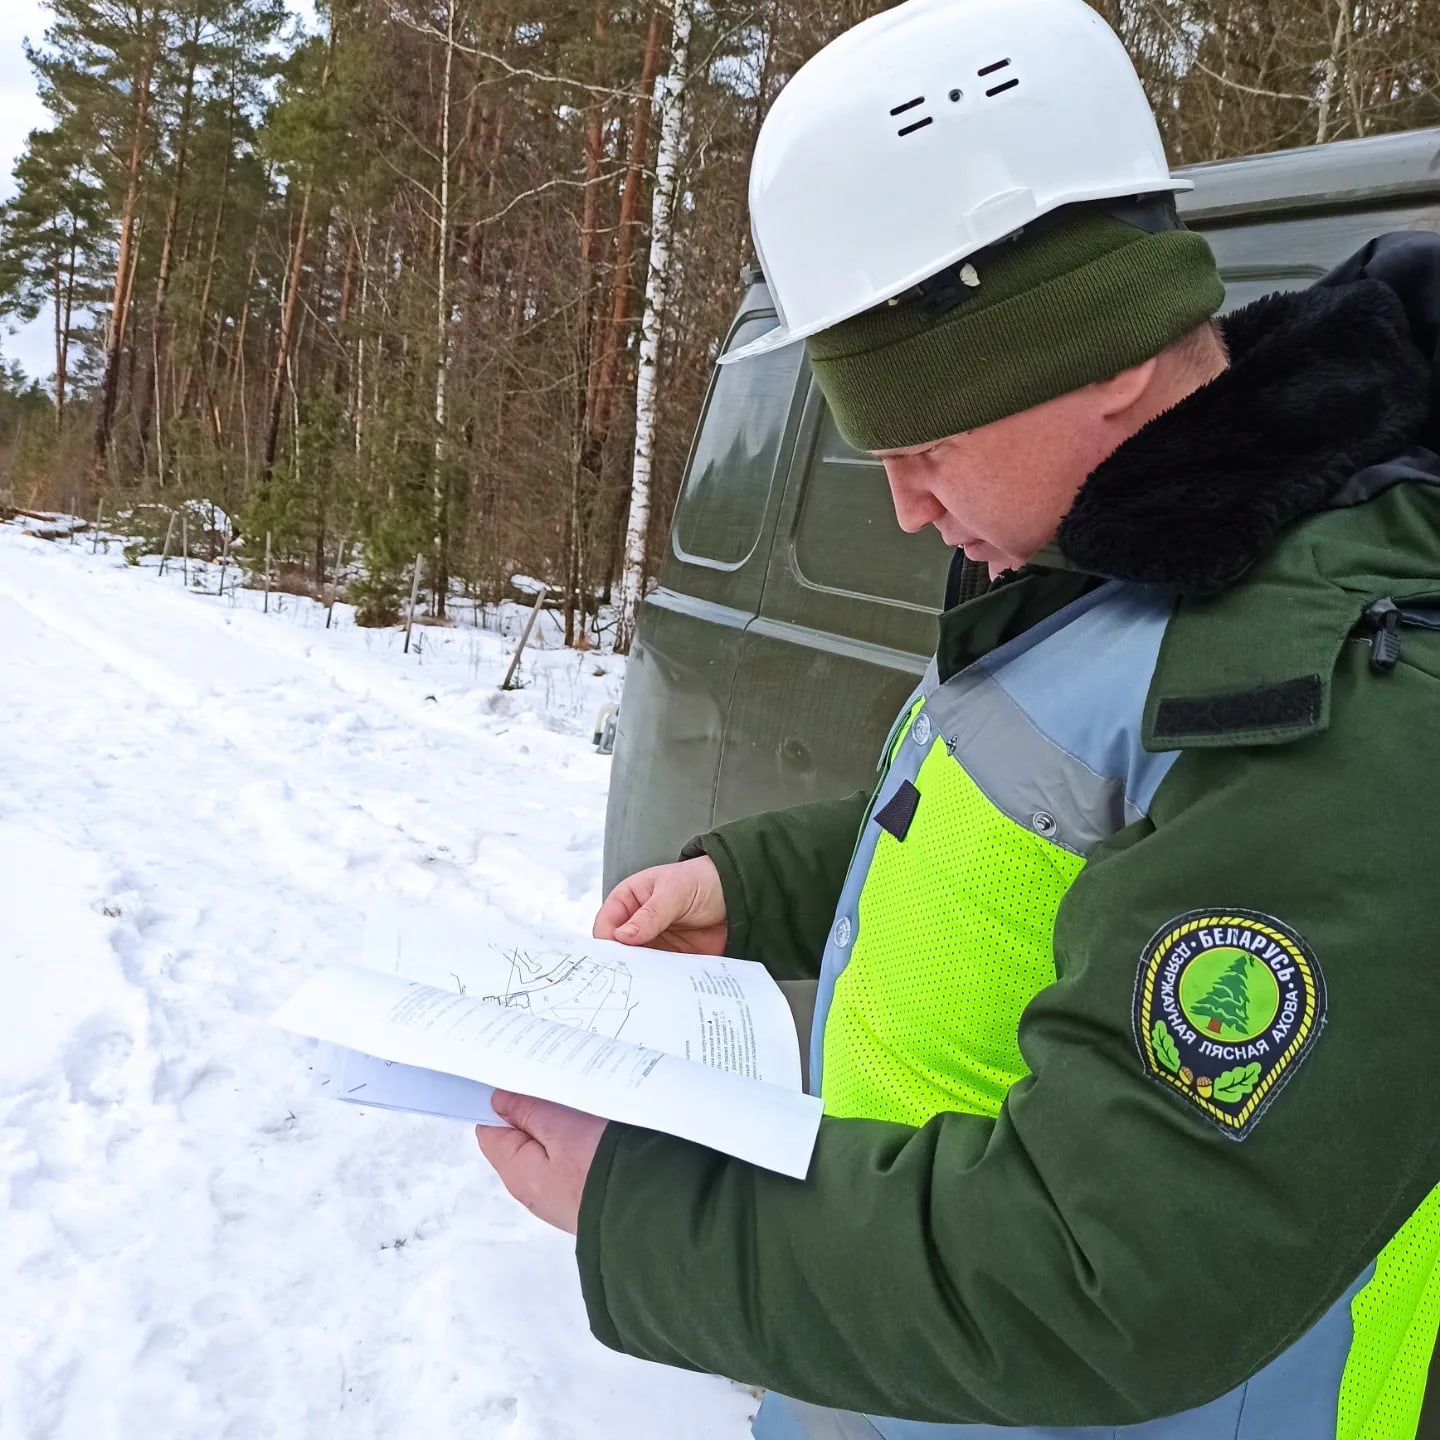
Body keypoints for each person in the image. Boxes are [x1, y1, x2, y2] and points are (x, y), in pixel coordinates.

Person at [474, 0, 1440, 1435]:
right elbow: (1035, 842)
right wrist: (759, 886)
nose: (908, 506)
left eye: (923, 446)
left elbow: (1112, 1272)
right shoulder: (1116, 568)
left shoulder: (1335, 678)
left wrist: (648, 1207)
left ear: (1106, 356)